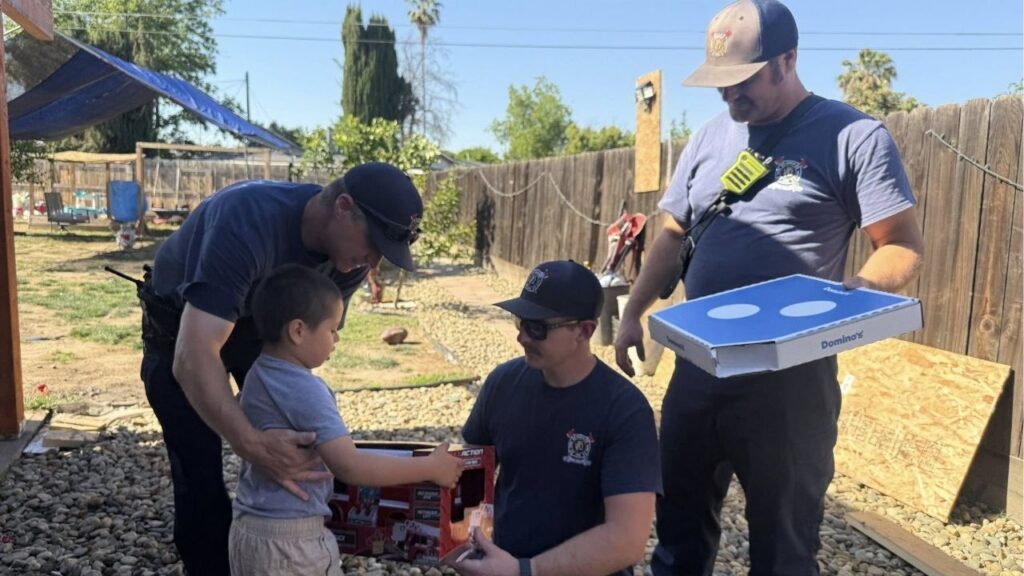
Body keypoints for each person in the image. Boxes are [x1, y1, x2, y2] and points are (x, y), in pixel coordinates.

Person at [613, 1, 925, 575]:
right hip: (697, 370)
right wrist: (633, 311)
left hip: (790, 386)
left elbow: (903, 245)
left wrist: (847, 296)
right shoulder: (709, 137)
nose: (731, 98)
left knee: (783, 545)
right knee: (678, 531)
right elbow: (673, 235)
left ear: (788, 59)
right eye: (720, 85)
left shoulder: (853, 136)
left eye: (743, 80)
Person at [138, 162, 425, 575]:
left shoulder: (350, 263)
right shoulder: (246, 220)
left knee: (290, 456)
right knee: (200, 474)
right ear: (343, 207)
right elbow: (194, 353)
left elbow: (303, 354)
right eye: (374, 244)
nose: (374, 262)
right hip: (182, 336)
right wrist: (249, 442)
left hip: (261, 337)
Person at [229, 264, 463, 576]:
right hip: (293, 542)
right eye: (332, 329)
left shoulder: (257, 374)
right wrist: (430, 468)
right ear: (298, 331)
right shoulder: (306, 389)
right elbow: (350, 466)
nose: (336, 339)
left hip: (249, 529)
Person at [450, 260, 662, 576]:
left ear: (585, 330)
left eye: (537, 327)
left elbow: (626, 539)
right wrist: (455, 538)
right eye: (520, 321)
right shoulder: (503, 383)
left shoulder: (624, 410)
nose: (522, 337)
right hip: (504, 564)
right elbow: (469, 476)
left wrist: (526, 570)